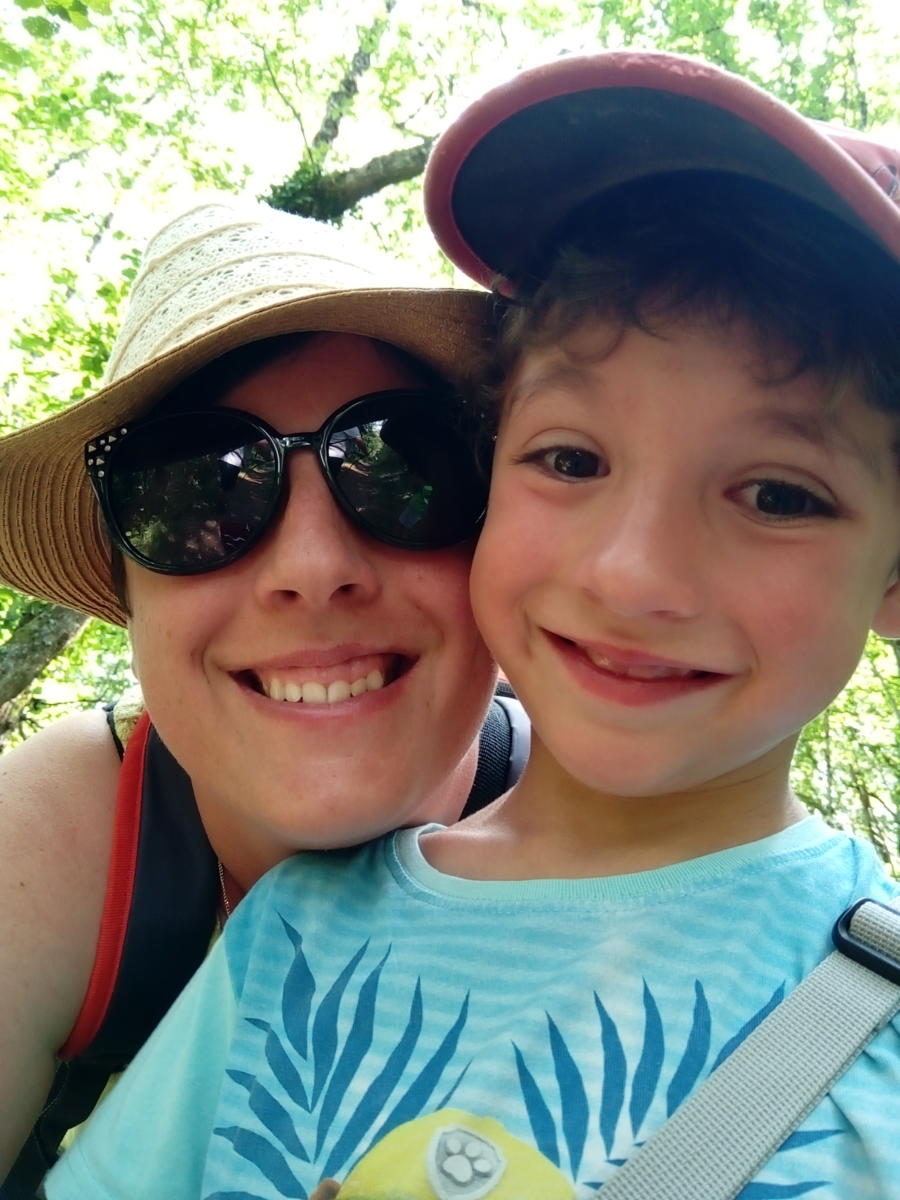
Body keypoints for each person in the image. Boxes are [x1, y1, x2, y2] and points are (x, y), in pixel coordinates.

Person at [43, 52, 900, 1199]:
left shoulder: (875, 1017)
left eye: (780, 495)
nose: (632, 572)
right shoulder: (291, 938)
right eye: (570, 459)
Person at [0, 200, 535, 1193]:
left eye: (408, 468)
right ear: (127, 597)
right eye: (196, 493)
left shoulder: (637, 831)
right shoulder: (60, 837)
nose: (314, 568)